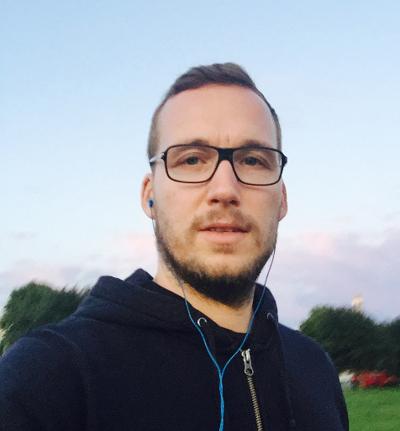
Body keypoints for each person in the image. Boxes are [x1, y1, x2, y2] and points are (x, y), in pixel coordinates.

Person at [0, 63, 348, 431]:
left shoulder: (313, 368)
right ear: (149, 196)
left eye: (253, 160)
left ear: (282, 200)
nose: (225, 190)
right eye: (192, 159)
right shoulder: (46, 380)